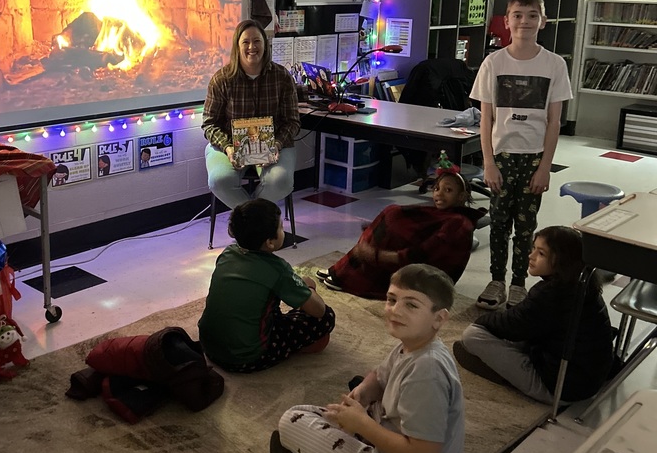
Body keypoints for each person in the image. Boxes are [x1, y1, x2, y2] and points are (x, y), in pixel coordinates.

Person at [270, 263, 464, 453]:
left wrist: (363, 425)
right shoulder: (417, 347)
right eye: (392, 299)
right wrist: (362, 393)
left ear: (439, 319)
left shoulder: (426, 372)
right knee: (357, 393)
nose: (395, 310)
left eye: (411, 305)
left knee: (291, 419)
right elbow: (379, 375)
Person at [470, 0, 572, 310]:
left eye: (532, 16)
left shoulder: (554, 65)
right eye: (517, 15)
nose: (524, 22)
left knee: (525, 227)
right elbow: (486, 120)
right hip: (501, 157)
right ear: (506, 20)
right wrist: (488, 163)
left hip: (533, 159)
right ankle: (496, 280)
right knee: (499, 223)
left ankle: (517, 283)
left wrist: (545, 167)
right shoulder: (493, 63)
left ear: (543, 21)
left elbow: (554, 123)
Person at [453, 226, 614, 405]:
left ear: (562, 260)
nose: (531, 256)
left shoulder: (551, 293)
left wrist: (481, 321)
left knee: (473, 335)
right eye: (533, 248)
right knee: (519, 330)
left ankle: (505, 374)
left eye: (541, 253)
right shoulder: (583, 283)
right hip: (586, 379)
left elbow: (511, 325)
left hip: (560, 389)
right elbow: (525, 319)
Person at [198, 198, 335, 372]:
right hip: (246, 358)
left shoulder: (228, 253)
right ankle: (293, 347)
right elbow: (319, 310)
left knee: (266, 305)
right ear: (270, 242)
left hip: (209, 348)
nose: (283, 231)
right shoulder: (277, 269)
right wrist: (308, 288)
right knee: (327, 316)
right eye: (281, 228)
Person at [317, 163, 486, 297]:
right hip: (416, 264)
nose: (439, 194)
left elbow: (424, 254)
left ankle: (346, 276)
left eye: (448, 190)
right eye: (436, 189)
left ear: (462, 197)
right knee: (393, 214)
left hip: (429, 281)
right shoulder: (448, 215)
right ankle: (343, 270)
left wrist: (380, 256)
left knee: (391, 219)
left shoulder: (458, 223)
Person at [203, 19, 300, 208]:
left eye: (257, 41)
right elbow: (209, 124)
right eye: (245, 42)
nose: (251, 47)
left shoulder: (282, 77)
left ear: (265, 44)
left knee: (281, 181)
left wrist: (277, 145)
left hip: (274, 145)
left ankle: (249, 222)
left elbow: (292, 122)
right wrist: (228, 148)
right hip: (230, 145)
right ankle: (260, 224)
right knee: (218, 180)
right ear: (237, 46)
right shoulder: (221, 79)